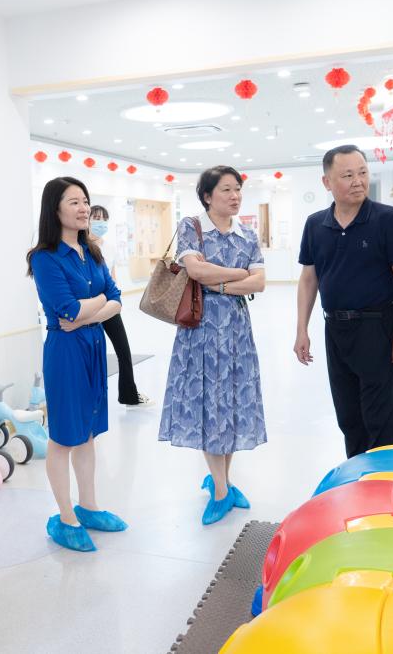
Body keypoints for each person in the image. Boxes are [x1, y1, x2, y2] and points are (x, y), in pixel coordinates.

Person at [293, 144, 393, 458]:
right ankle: (360, 480)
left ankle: (386, 482)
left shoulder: (387, 219)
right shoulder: (315, 225)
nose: (358, 181)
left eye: (362, 172)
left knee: (382, 421)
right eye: (348, 175)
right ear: (327, 182)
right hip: (335, 329)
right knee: (349, 418)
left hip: (378, 328)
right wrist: (301, 330)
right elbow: (309, 279)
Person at [158, 166, 267, 525]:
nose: (235, 196)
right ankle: (221, 490)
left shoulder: (247, 234)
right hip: (200, 330)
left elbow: (260, 283)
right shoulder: (192, 227)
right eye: (226, 190)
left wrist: (218, 282)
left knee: (231, 402)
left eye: (237, 189)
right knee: (208, 404)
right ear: (207, 196)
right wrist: (239, 275)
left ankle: (223, 481)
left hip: (236, 332)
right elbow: (196, 271)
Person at [28, 177, 128, 553]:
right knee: (63, 437)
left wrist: (91, 310)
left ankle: (89, 506)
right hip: (65, 351)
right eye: (74, 202)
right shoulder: (44, 257)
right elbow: (67, 309)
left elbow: (116, 299)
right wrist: (97, 304)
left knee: (87, 434)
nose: (84, 208)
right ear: (54, 210)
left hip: (92, 344)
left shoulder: (92, 251)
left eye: (85, 200)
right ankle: (66, 516)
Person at [88, 204, 153, 408]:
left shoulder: (109, 248)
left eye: (103, 219)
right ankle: (90, 399)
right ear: (87, 220)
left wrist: (114, 299)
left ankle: (129, 395)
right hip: (87, 307)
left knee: (123, 350)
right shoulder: (81, 246)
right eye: (96, 218)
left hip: (108, 305)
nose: (100, 223)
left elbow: (112, 276)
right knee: (91, 354)